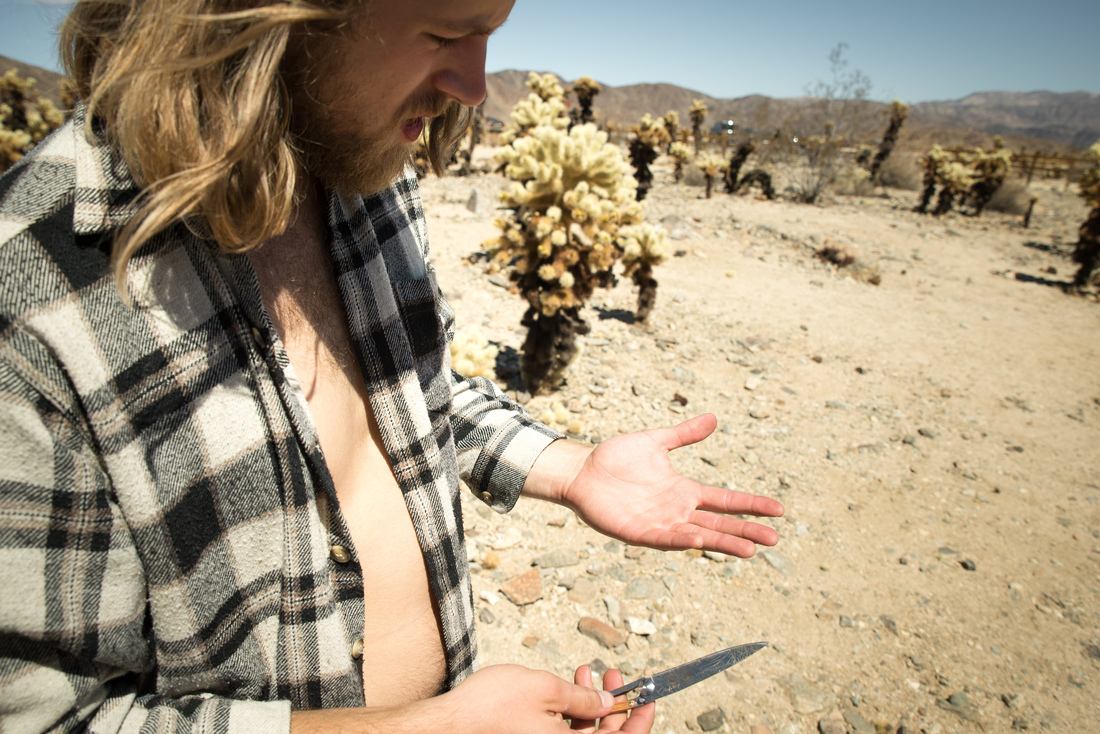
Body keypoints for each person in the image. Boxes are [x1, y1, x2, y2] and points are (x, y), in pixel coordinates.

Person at [0, 1, 784, 732]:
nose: (474, 86)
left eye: (491, 33)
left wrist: (569, 468)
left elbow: (407, 389)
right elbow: (52, 720)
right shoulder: (33, 306)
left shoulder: (362, 170)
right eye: (445, 34)